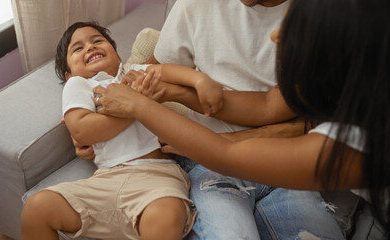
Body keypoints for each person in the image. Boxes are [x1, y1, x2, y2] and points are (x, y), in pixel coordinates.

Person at [92, 0, 390, 238]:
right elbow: (267, 104)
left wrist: (140, 108)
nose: (275, 36)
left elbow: (228, 153)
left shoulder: (360, 147)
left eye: (295, 29)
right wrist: (179, 91)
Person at [20, 21, 234, 240]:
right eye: (78, 48)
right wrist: (137, 104)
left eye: (97, 41)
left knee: (165, 219)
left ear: (118, 55)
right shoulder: (79, 86)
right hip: (107, 179)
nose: (90, 47)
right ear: (69, 75)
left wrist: (200, 79)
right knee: (37, 207)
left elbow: (167, 70)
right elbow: (83, 131)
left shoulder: (136, 73)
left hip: (159, 175)